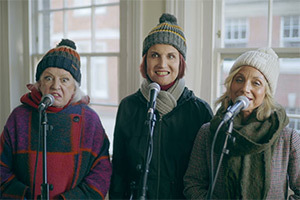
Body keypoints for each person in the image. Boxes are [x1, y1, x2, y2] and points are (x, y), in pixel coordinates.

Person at [109, 13, 213, 199]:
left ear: (180, 62)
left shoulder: (200, 112)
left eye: (171, 56)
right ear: (145, 60)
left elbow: (208, 177)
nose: (162, 64)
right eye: (154, 55)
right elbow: (119, 171)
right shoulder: (128, 107)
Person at [0, 39, 112, 199]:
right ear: (39, 83)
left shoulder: (89, 120)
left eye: (64, 80)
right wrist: (24, 196)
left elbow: (101, 173)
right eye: (48, 78)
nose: (55, 86)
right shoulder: (19, 117)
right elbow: (2, 168)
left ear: (74, 87)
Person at [183, 47, 300, 199]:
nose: (245, 88)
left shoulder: (288, 139)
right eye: (239, 79)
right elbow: (193, 184)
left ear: (267, 92)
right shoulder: (209, 132)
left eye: (256, 83)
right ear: (230, 84)